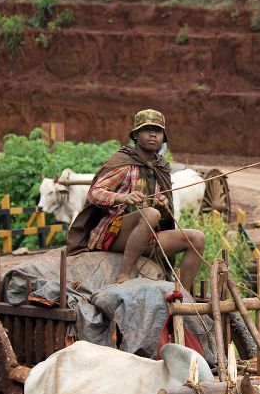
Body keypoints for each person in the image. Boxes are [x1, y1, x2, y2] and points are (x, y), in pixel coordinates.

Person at [67, 109, 206, 291]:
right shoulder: (123, 162)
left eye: (157, 130)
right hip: (113, 234)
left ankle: (184, 295)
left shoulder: (161, 168)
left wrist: (163, 206)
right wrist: (122, 197)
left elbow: (162, 218)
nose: (153, 134)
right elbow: (94, 193)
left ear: (163, 137)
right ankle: (123, 274)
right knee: (150, 213)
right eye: (147, 129)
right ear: (136, 135)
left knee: (197, 238)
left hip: (147, 235)